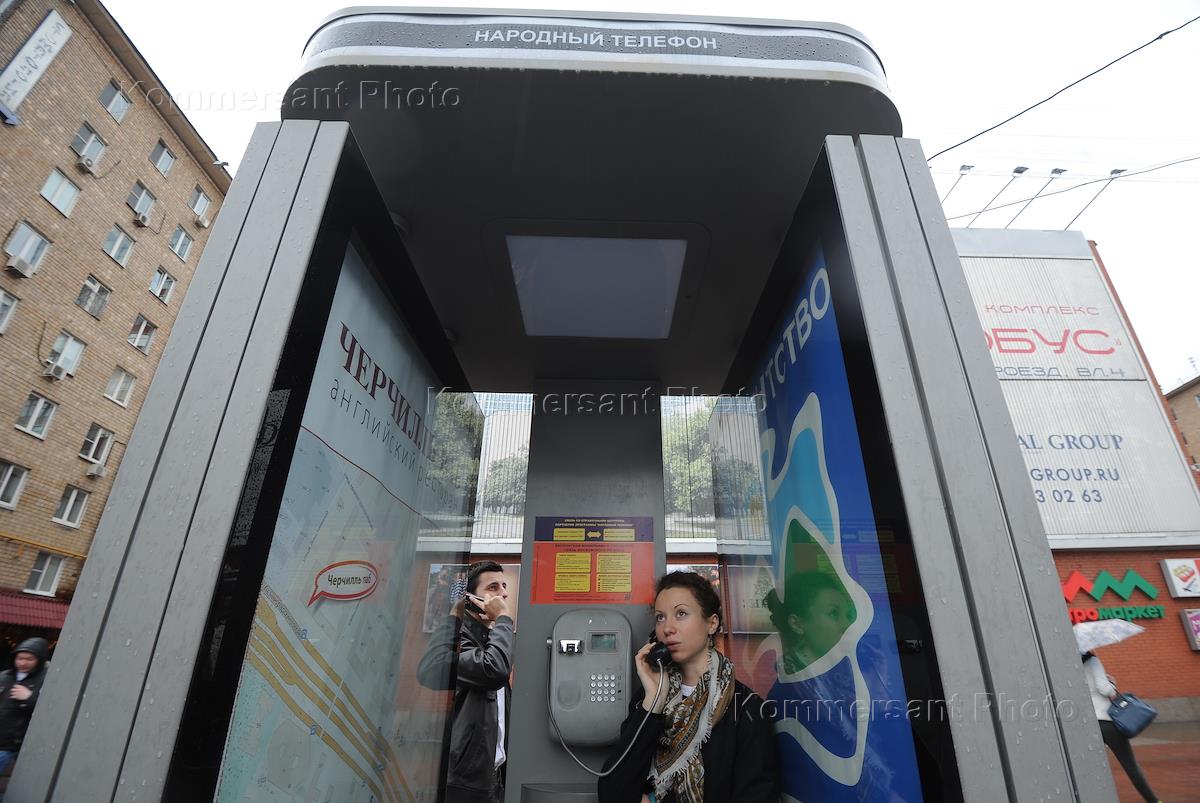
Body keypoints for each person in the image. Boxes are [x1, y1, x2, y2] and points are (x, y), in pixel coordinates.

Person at [597, 571, 779, 803]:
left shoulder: (746, 707)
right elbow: (611, 793)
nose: (667, 628)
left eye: (681, 613)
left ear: (711, 623)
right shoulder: (648, 698)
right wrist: (653, 702)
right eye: (660, 618)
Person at [417, 560, 513, 803]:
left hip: (494, 777)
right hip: (467, 782)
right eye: (493, 587)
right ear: (471, 598)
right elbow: (494, 669)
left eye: (504, 586)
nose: (503, 593)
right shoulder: (467, 641)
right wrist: (502, 618)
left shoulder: (491, 640)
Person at [1081, 650, 1161, 803]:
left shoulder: (1070, 666)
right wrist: (1111, 683)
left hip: (1089, 723)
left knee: (1091, 767)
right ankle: (1154, 801)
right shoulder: (1092, 661)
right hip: (1107, 721)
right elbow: (1104, 689)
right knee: (1130, 765)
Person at [0, 637, 51, 777]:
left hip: (23, 741)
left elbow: (51, 711)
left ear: (39, 660)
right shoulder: (4, 676)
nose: (23, 662)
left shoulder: (47, 679)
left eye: (29, 659)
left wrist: (29, 698)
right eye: (20, 658)